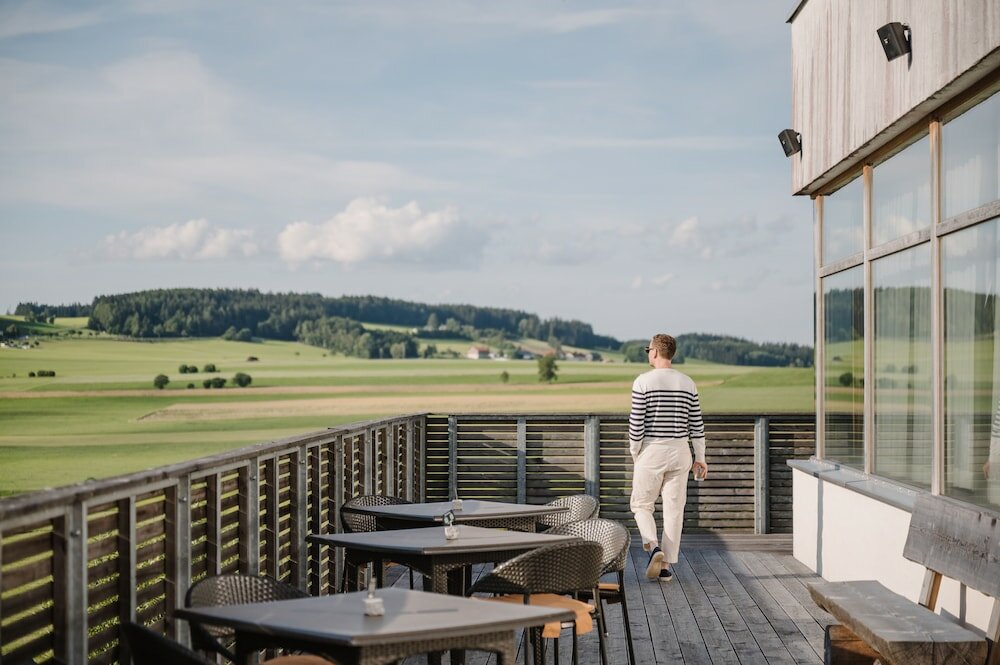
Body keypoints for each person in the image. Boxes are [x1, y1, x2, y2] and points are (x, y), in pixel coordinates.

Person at [629, 333, 706, 582]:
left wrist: (635, 453)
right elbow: (697, 424)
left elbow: (636, 425)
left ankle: (653, 548)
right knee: (674, 510)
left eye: (647, 349)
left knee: (641, 505)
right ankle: (665, 567)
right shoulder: (688, 383)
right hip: (681, 451)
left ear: (654, 352)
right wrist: (700, 457)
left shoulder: (643, 382)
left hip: (652, 450)